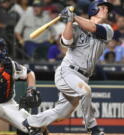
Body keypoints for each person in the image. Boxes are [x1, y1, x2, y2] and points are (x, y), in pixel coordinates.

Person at [22, 1, 114, 135]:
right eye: (103, 7)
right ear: (93, 9)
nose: (106, 10)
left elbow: (94, 28)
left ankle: (30, 123)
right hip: (67, 72)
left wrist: (73, 16)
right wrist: (70, 22)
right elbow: (66, 42)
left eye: (107, 8)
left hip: (83, 76)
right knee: (85, 91)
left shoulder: (108, 29)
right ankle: (92, 128)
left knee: (61, 113)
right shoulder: (76, 26)